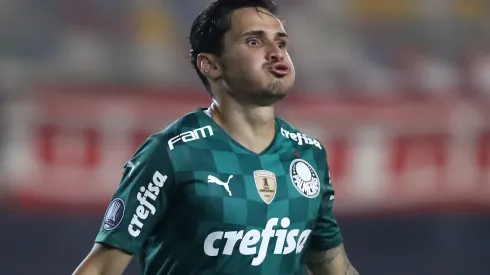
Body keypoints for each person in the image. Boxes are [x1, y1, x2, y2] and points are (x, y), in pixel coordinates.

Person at [73, 0, 359, 274]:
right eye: (254, 41)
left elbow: (334, 266)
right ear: (211, 65)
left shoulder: (308, 154)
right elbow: (102, 266)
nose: (276, 52)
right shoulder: (173, 153)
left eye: (281, 42)